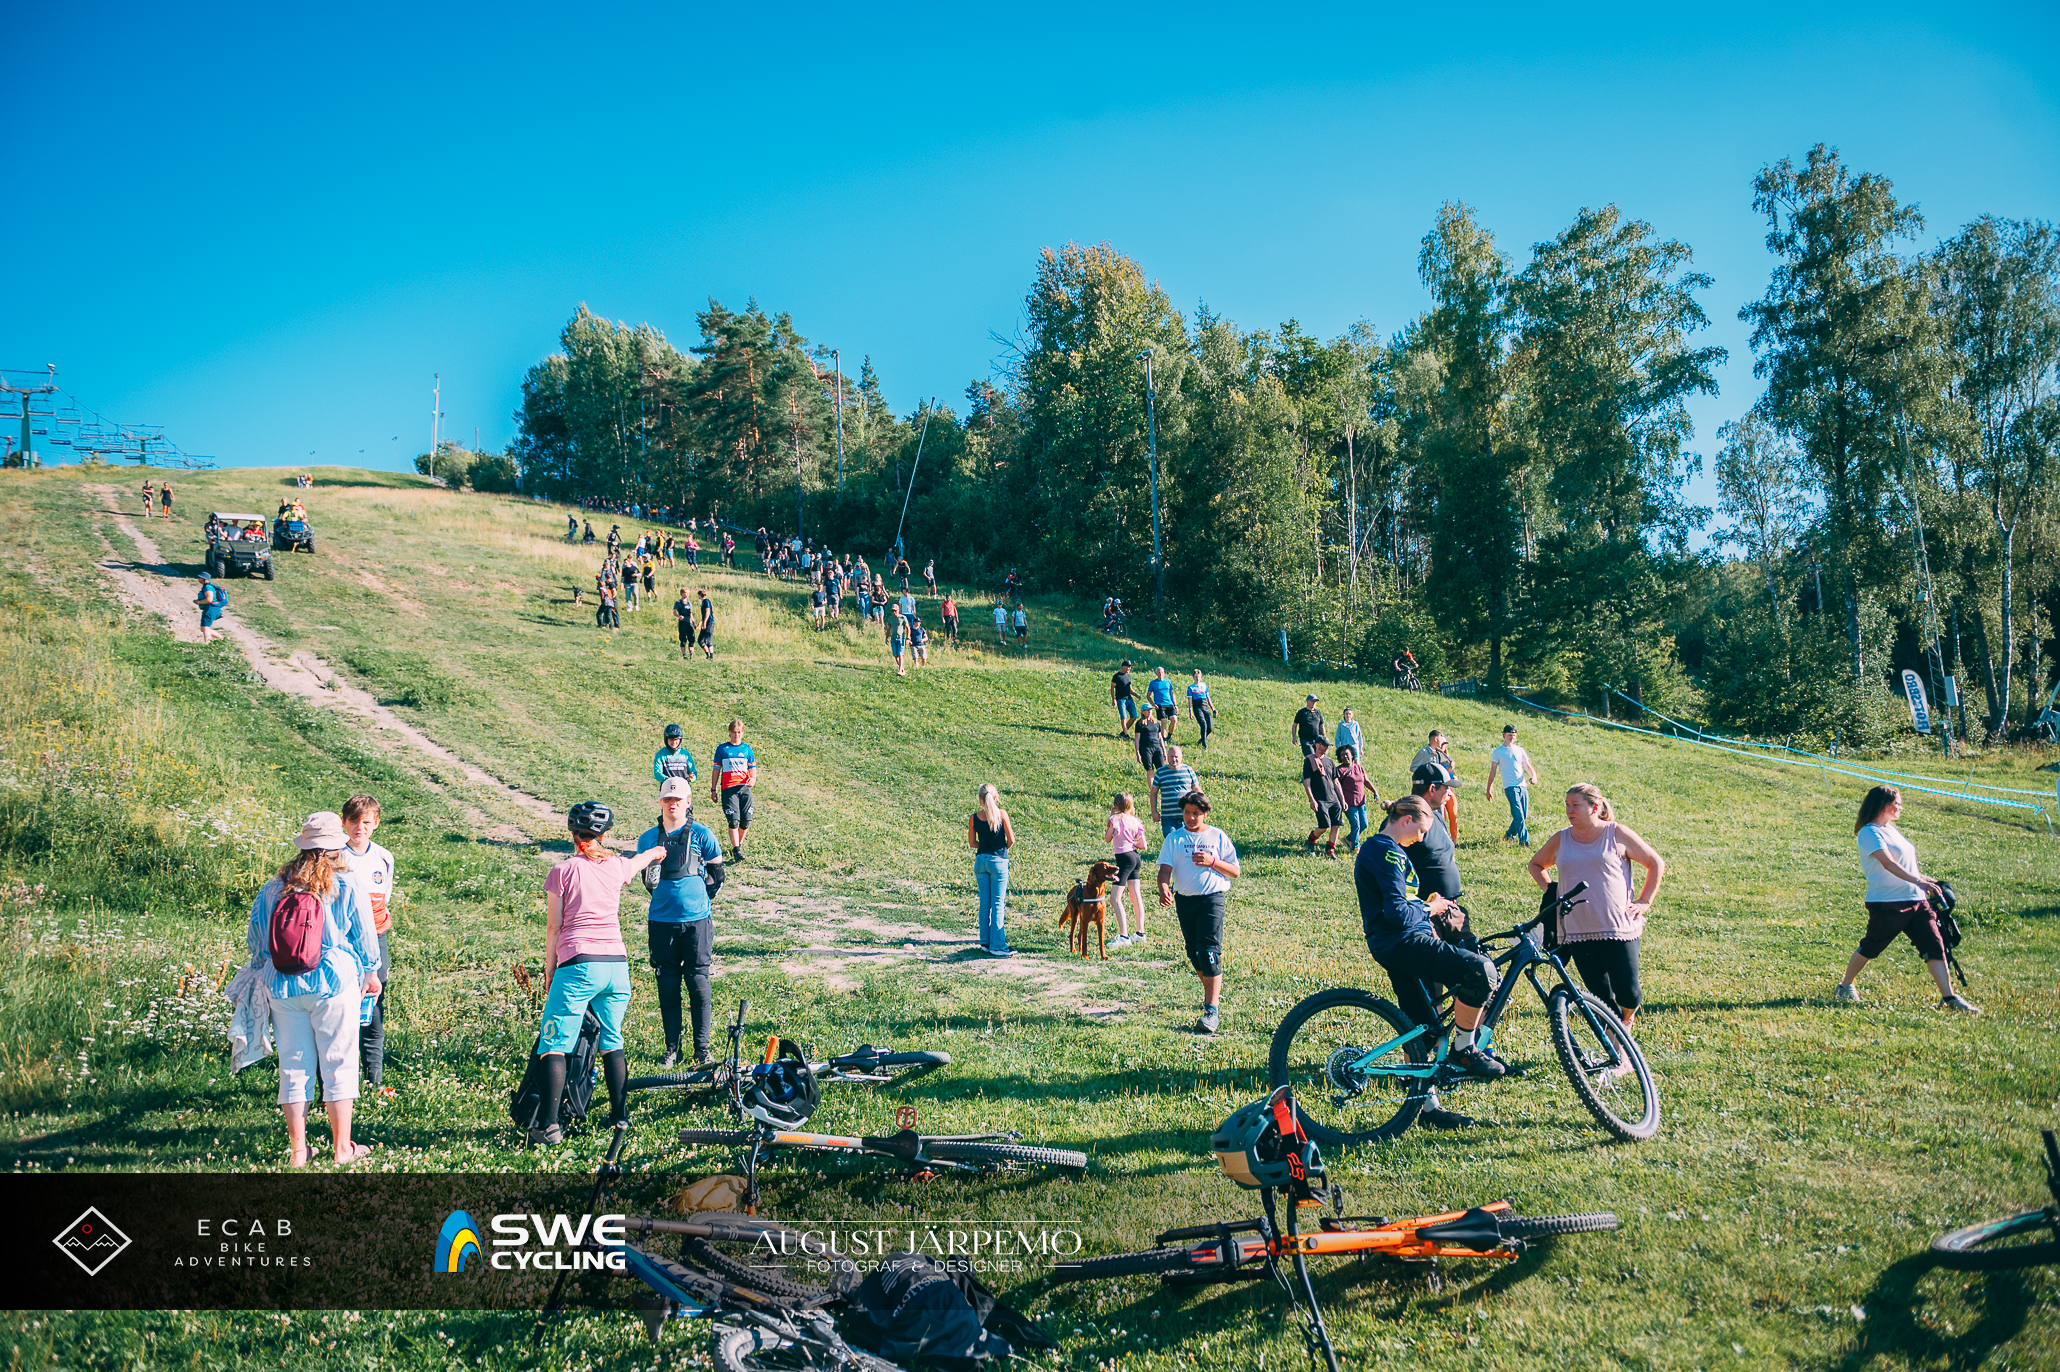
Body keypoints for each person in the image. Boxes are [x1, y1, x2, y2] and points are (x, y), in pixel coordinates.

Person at [246, 812, 383, 1165]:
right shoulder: (346, 882)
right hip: (334, 982)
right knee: (339, 1063)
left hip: (282, 984)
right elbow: (365, 936)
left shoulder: (275, 887)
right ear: (337, 845)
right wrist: (371, 972)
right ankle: (342, 1149)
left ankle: (298, 1151)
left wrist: (267, 968)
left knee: (293, 1065)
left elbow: (257, 940)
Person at [532, 803, 670, 1147]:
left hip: (579, 963)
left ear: (572, 835)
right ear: (604, 836)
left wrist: (550, 969)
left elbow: (554, 927)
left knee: (554, 1044)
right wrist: (656, 852)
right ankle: (619, 1116)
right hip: (616, 966)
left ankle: (549, 1126)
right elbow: (638, 861)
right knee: (611, 1041)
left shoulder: (562, 871)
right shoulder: (616, 866)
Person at [1356, 795, 1505, 1086]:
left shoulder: (1381, 849)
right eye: (1421, 830)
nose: (1422, 838)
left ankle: (1425, 1103)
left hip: (1391, 942)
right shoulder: (1388, 851)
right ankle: (1464, 1049)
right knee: (1480, 971)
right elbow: (1397, 913)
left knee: (1422, 1028)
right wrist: (1430, 908)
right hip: (1402, 941)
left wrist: (1423, 904)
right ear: (1406, 820)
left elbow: (1396, 904)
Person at [1526, 783, 1667, 1029]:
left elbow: (1655, 863)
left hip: (1618, 927)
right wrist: (1552, 891)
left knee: (1628, 992)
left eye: (1575, 805)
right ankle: (1615, 1037)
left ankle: (1627, 1019)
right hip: (1577, 930)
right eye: (1567, 805)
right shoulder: (1561, 838)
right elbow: (1536, 865)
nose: (1569, 811)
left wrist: (1644, 901)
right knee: (1600, 995)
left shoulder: (1616, 833)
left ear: (1595, 807)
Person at [1836, 785, 1980, 1012]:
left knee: (1935, 945)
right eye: (1897, 804)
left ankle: (1949, 998)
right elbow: (1888, 863)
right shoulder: (1869, 833)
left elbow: (1905, 864)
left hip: (1917, 900)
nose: (1901, 808)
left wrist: (1926, 880)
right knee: (1872, 945)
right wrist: (1918, 881)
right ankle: (1845, 986)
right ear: (1884, 805)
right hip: (1888, 902)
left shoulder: (1891, 830)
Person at [638, 778, 727, 1065]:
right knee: (667, 983)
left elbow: (717, 875)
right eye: (667, 799)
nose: (672, 803)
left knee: (698, 980)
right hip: (661, 921)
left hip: (696, 922)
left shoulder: (703, 834)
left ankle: (702, 1049)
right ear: (660, 802)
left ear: (688, 802)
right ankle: (672, 1048)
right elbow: (646, 881)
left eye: (677, 799)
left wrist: (698, 901)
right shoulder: (647, 839)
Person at [1156, 791, 1242, 1034]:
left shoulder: (1217, 836)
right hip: (1184, 901)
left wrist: (1212, 862)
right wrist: (1163, 888)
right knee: (1194, 953)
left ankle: (1211, 1011)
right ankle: (1212, 992)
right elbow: (1164, 870)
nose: (1191, 817)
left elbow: (1235, 871)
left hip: (1211, 900)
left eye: (1196, 813)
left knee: (1209, 952)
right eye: (1186, 813)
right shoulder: (1174, 838)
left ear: (1205, 813)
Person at [339, 795, 397, 1097]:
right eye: (353, 821)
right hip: (344, 941)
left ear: (376, 823)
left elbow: (382, 898)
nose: (359, 827)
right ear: (343, 822)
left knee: (373, 1003)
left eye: (366, 822)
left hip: (375, 938)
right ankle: (340, 1078)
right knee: (342, 1003)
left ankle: (374, 1078)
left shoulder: (384, 857)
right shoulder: (336, 856)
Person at [969, 784, 1015, 957]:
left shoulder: (974, 818)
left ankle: (985, 942)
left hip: (981, 861)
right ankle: (998, 945)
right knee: (998, 903)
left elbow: (972, 843)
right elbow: (1011, 839)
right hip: (998, 860)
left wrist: (985, 847)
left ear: (980, 799)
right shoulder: (1001, 814)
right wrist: (1003, 849)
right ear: (995, 797)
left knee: (985, 903)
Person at [1106, 794, 1149, 948]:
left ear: (1116, 806)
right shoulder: (1136, 821)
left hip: (1124, 858)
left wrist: (1110, 822)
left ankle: (1124, 936)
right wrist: (1132, 843)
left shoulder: (1115, 819)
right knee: (1136, 895)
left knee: (1115, 899)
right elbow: (1143, 845)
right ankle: (1140, 933)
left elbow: (1107, 838)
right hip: (1135, 857)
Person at [1486, 725, 1540, 846]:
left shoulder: (1520, 750)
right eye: (1510, 735)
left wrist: (1534, 776)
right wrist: (1489, 789)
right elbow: (1493, 771)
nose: (1512, 738)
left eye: (1514, 735)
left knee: (1523, 814)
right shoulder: (1498, 752)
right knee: (1518, 814)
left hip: (1522, 785)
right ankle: (1524, 842)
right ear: (1504, 735)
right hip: (1510, 787)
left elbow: (1528, 766)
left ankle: (1509, 835)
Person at [710, 720, 756, 861]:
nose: (736, 735)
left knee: (746, 821)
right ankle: (736, 850)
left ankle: (737, 846)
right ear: (729, 733)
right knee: (733, 820)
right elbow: (716, 770)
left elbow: (752, 768)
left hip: (744, 788)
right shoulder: (722, 749)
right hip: (729, 789)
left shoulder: (747, 749)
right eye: (734, 732)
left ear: (742, 733)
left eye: (739, 732)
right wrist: (713, 789)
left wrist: (753, 778)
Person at [1301, 739, 1345, 859]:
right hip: (1320, 799)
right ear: (1317, 745)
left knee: (1336, 825)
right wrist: (1312, 799)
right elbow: (1307, 782)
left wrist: (1342, 800)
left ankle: (1330, 851)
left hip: (1333, 799)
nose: (1326, 748)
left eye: (1327, 746)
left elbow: (1336, 782)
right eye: (1324, 745)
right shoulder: (1309, 760)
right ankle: (1311, 840)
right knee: (1324, 826)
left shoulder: (1330, 762)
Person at [1412, 730, 1460, 839]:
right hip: (1431, 789)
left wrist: (1451, 771)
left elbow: (1445, 773)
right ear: (1436, 739)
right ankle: (1434, 837)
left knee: (1448, 814)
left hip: (1444, 788)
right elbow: (1413, 767)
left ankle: (1447, 838)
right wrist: (1426, 774)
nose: (1444, 745)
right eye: (1442, 742)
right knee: (1434, 814)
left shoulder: (1441, 755)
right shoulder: (1424, 752)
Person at [1150, 745, 1201, 839]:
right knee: (1171, 840)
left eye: (1176, 757)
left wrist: (1202, 807)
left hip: (1188, 816)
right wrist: (1154, 811)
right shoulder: (1160, 773)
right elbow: (1153, 792)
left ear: (1181, 757)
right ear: (1167, 757)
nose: (1174, 759)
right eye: (1171, 756)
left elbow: (1197, 790)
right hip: (1168, 817)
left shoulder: (1188, 770)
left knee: (1187, 841)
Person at [1337, 745, 1373, 852]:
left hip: (1361, 802)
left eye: (1346, 754)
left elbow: (1366, 781)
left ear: (1352, 755)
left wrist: (1375, 791)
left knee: (1364, 824)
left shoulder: (1359, 768)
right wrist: (1341, 801)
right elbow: (1336, 787)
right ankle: (1355, 846)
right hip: (1349, 803)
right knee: (1355, 824)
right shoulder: (1339, 770)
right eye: (1342, 755)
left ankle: (1348, 839)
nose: (1345, 756)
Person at [1146, 667, 1178, 742]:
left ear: (1164, 673)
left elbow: (1172, 693)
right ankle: (1163, 739)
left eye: (1162, 672)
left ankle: (1169, 736)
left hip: (1169, 704)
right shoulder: (1153, 683)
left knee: (1174, 719)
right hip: (1159, 704)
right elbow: (1148, 695)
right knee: (1163, 721)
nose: (1160, 674)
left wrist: (1175, 704)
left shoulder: (1168, 682)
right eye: (1159, 672)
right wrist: (1153, 704)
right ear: (1156, 673)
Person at [1187, 668, 1216, 749]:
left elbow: (1208, 697)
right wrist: (1190, 711)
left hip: (1205, 706)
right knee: (1203, 724)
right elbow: (1190, 700)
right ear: (1193, 677)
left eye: (1198, 676)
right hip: (1197, 707)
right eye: (1196, 676)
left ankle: (1202, 739)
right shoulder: (1191, 687)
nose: (1197, 678)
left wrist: (1213, 708)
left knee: (1209, 728)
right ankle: (1204, 745)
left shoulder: (1204, 685)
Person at [1110, 660, 1139, 739]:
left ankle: (1123, 732)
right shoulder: (1117, 676)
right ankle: (1126, 735)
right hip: (1120, 699)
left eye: (1130, 667)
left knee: (1134, 716)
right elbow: (1112, 688)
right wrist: (1114, 699)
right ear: (1123, 666)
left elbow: (1130, 689)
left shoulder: (1128, 676)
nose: (1129, 668)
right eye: (1128, 667)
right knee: (1124, 717)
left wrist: (1136, 695)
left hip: (1129, 698)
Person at [195, 572, 226, 643]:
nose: (198, 579)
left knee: (205, 628)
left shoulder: (207, 587)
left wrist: (198, 602)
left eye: (199, 577)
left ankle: (207, 644)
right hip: (212, 608)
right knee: (203, 628)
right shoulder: (208, 586)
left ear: (204, 579)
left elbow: (209, 599)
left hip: (211, 608)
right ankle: (221, 639)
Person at [1135, 708, 1166, 776]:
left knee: (1161, 769)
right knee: (1150, 769)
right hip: (1146, 748)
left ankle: (1160, 782)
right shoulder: (1139, 723)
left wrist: (1164, 750)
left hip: (1157, 747)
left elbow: (1160, 737)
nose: (1149, 711)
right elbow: (1137, 739)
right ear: (1143, 712)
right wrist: (1137, 752)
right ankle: (1151, 783)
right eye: (1147, 710)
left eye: (1150, 710)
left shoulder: (1156, 722)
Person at [674, 588, 695, 660]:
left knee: (691, 639)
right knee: (683, 639)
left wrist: (693, 623)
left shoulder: (689, 603)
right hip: (682, 623)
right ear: (682, 593)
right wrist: (678, 616)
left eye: (688, 593)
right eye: (686, 593)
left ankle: (691, 655)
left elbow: (691, 614)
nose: (687, 594)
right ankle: (684, 655)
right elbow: (674, 612)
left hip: (689, 623)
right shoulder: (678, 602)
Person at [696, 589, 716, 660]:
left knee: (708, 640)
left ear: (699, 595)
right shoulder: (703, 602)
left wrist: (704, 622)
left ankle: (711, 656)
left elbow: (708, 612)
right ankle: (708, 654)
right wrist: (701, 622)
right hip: (706, 622)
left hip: (709, 622)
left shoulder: (706, 601)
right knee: (700, 640)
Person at [889, 611, 908, 676]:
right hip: (893, 638)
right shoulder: (891, 618)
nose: (894, 612)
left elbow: (908, 627)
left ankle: (900, 670)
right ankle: (902, 669)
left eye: (895, 611)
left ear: (898, 610)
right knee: (895, 655)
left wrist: (907, 638)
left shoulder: (902, 617)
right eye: (893, 611)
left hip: (901, 638)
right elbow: (888, 628)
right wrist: (886, 637)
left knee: (900, 654)